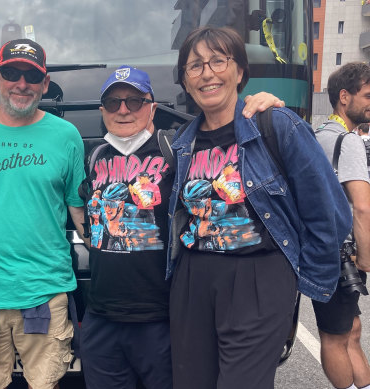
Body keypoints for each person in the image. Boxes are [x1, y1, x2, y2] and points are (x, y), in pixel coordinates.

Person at [80, 64, 289, 389]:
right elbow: (86, 214)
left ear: (152, 107)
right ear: (102, 110)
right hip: (101, 318)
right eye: (113, 103)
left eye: (134, 101)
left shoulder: (178, 151)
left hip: (161, 319)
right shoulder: (95, 156)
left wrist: (259, 106)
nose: (123, 110)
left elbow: (225, 133)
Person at [167, 26, 351, 389]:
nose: (207, 73)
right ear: (186, 82)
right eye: (195, 66)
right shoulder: (181, 144)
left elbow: (330, 214)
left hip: (258, 277)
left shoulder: (276, 124)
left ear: (239, 72)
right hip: (193, 280)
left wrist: (299, 280)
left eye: (218, 60)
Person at [0, 39, 86, 389]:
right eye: (11, 73)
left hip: (46, 290)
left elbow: (78, 209)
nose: (21, 84)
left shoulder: (67, 135)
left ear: (45, 83)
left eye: (31, 76)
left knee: (46, 384)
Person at [313, 62, 370, 389]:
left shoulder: (320, 134)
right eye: (367, 95)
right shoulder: (347, 142)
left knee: (351, 330)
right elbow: (362, 206)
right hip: (341, 257)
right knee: (335, 338)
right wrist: (365, 258)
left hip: (323, 251)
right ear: (344, 97)